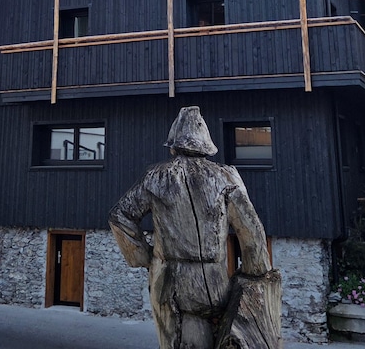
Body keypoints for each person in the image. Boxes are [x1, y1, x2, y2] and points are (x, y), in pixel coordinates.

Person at [109, 106, 272, 349]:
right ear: (206, 143)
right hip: (212, 280)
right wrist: (256, 273)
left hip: (167, 280)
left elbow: (120, 215)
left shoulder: (156, 176)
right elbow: (250, 229)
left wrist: (145, 257)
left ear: (174, 143)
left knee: (173, 342)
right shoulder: (225, 177)